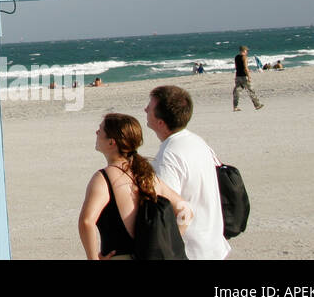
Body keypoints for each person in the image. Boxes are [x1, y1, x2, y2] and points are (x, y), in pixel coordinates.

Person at [78, 113, 191, 259]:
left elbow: (86, 222)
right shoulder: (147, 176)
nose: (96, 132)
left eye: (101, 129)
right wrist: (163, 242)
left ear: (112, 142)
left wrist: (92, 258)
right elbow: (186, 213)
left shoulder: (104, 178)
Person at [145, 85, 230, 259]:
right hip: (213, 246)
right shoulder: (196, 141)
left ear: (161, 122)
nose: (145, 109)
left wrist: (166, 247)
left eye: (150, 107)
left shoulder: (169, 155)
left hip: (192, 252)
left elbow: (171, 210)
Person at [233, 46, 264, 111]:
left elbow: (236, 67)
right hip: (244, 76)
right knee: (250, 91)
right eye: (246, 51)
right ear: (244, 51)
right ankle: (257, 105)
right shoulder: (244, 57)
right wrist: (249, 76)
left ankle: (235, 106)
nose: (247, 52)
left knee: (237, 92)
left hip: (238, 76)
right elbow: (245, 68)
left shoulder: (236, 57)